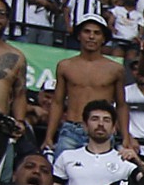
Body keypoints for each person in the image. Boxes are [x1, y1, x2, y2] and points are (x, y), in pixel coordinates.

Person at [49, 15, 131, 154]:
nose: (91, 36)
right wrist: (49, 136)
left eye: (97, 33)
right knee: (62, 174)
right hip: (71, 128)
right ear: (79, 36)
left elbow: (121, 105)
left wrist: (126, 136)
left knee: (100, 175)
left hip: (102, 130)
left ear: (104, 38)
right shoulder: (65, 66)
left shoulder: (115, 69)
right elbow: (57, 102)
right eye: (87, 31)